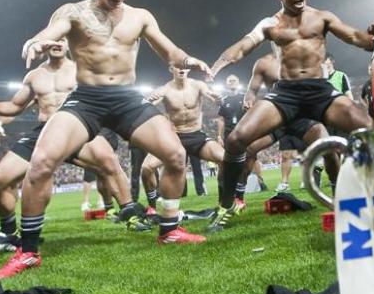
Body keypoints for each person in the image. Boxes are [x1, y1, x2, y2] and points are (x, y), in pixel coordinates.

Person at [0, 0, 212, 278]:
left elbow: (168, 51)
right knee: (41, 162)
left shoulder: (140, 16)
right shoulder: (74, 11)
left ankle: (169, 230)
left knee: (175, 154)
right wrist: (36, 41)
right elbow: (54, 29)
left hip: (126, 99)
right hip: (88, 99)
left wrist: (189, 59)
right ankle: (28, 252)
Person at [209, 0, 374, 232]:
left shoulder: (323, 17)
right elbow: (244, 45)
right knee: (235, 140)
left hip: (319, 89)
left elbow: (356, 37)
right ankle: (227, 203)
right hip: (286, 92)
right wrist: (217, 66)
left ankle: (346, 200)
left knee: (369, 130)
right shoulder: (270, 23)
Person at [0, 40, 149, 248]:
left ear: (70, 43)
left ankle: (132, 216)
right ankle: (9, 232)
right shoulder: (34, 76)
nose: (58, 43)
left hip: (77, 129)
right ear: (44, 45)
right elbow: (15, 106)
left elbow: (107, 98)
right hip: (44, 131)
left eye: (62, 39)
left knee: (109, 162)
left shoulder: (82, 69)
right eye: (53, 40)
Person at [244, 52, 338, 194]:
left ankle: (338, 191)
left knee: (328, 149)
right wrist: (249, 99)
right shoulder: (265, 63)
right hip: (278, 116)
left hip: (301, 116)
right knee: (249, 149)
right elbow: (251, 90)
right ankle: (237, 197)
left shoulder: (307, 58)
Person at [140, 66, 223, 204]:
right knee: (146, 168)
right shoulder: (165, 89)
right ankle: (152, 208)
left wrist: (218, 99)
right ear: (171, 69)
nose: (181, 69)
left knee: (224, 159)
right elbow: (146, 104)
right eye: (177, 66)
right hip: (175, 137)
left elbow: (214, 98)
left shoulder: (198, 85)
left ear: (189, 70)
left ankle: (223, 203)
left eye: (184, 66)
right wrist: (147, 102)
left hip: (196, 135)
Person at [215, 74, 257, 203]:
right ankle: (223, 198)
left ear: (238, 83)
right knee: (225, 166)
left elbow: (255, 114)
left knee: (247, 165)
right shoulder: (224, 100)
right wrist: (219, 136)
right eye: (229, 80)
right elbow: (221, 120)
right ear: (227, 84)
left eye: (234, 80)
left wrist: (249, 110)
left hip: (246, 135)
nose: (232, 82)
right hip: (229, 137)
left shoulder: (245, 98)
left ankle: (239, 198)